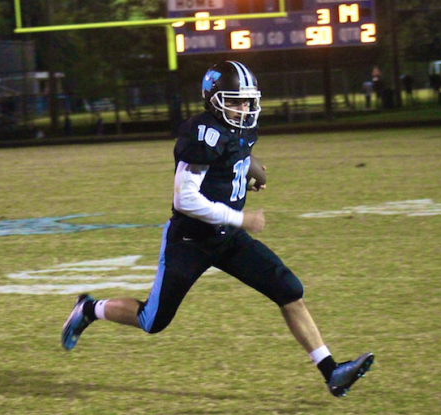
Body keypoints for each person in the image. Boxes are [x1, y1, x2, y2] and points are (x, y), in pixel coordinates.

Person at [61, 61, 374, 397]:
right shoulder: (202, 133)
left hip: (227, 239)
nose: (244, 108)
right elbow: (185, 199)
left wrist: (247, 175)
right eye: (235, 101)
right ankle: (88, 309)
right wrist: (242, 217)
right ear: (213, 100)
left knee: (289, 290)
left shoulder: (236, 128)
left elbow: (236, 154)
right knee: (153, 321)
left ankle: (332, 372)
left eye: (247, 101)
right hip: (190, 240)